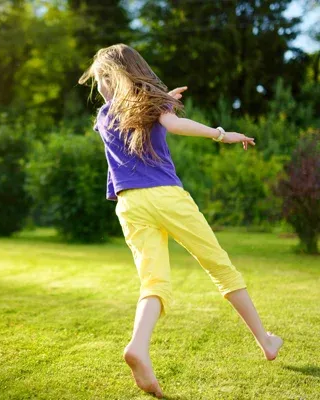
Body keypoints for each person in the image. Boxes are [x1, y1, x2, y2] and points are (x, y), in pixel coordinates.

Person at [79, 44, 283, 399]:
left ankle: (139, 346)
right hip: (166, 196)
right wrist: (221, 133)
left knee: (154, 283)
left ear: (113, 79)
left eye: (101, 81)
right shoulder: (153, 104)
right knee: (220, 268)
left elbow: (136, 114)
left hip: (129, 204)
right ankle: (265, 341)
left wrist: (162, 100)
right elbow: (173, 124)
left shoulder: (103, 116)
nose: (101, 88)